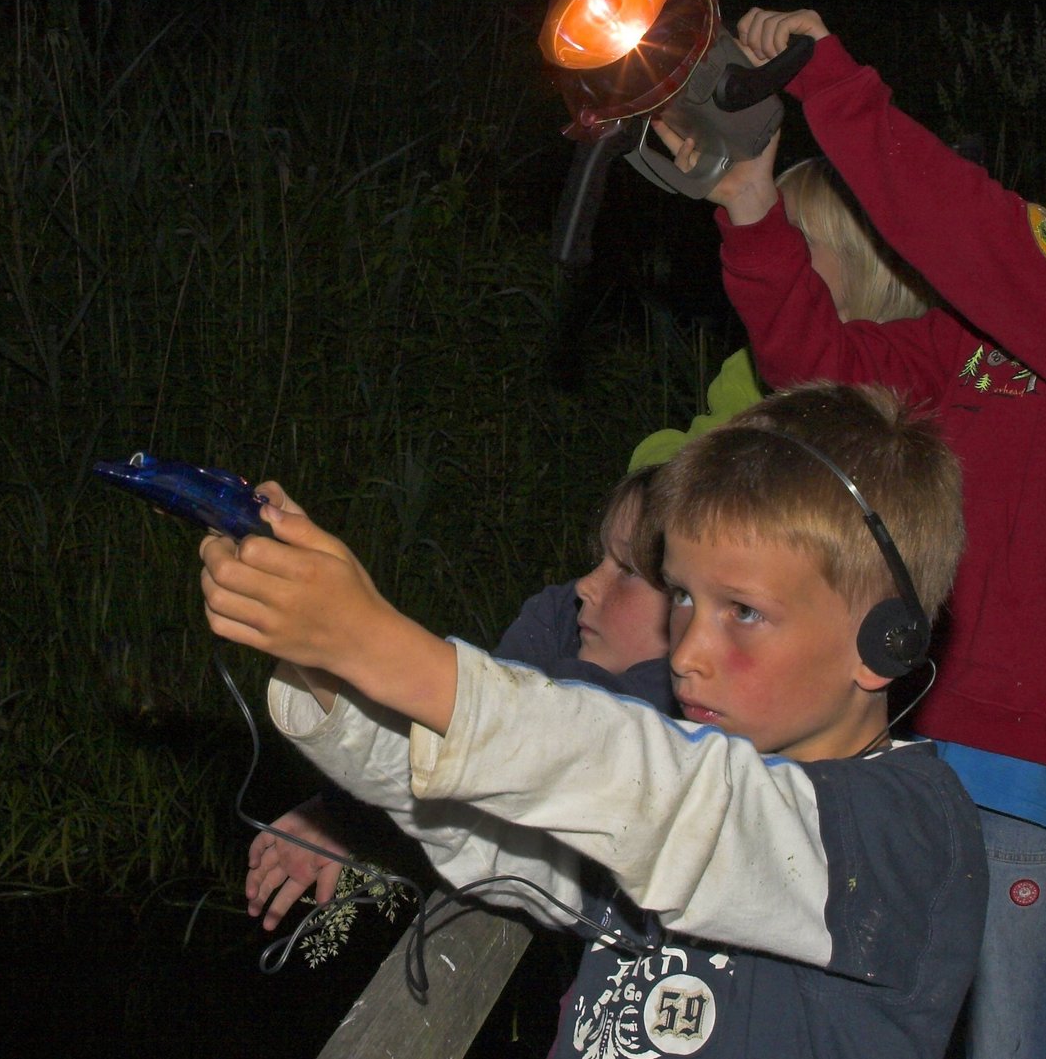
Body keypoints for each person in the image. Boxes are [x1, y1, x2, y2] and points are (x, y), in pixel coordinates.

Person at [660, 7, 1046, 1058]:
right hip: (896, 738)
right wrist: (750, 206)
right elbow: (820, 369)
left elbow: (982, 237)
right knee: (842, 1021)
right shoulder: (987, 339)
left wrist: (833, 83)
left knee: (1009, 1036)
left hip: (1026, 762)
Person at [203, 382, 985, 1059]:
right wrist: (330, 671)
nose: (689, 653)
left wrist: (382, 645)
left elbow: (667, 800)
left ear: (884, 641)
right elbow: (482, 826)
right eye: (683, 596)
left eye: (743, 611)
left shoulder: (903, 832)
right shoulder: (667, 801)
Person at [244, 466, 675, 932]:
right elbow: (472, 746)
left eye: (627, 570)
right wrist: (341, 814)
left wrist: (346, 637)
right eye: (601, 560)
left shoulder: (677, 743)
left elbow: (516, 738)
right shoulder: (560, 619)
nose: (587, 586)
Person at [629, 155, 937, 473]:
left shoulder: (926, 369)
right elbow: (681, 460)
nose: (774, 247)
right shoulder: (748, 370)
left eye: (793, 237)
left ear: (867, 261)